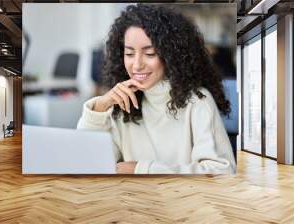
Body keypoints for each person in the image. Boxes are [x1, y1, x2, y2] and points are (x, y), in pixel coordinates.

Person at [77, 4, 236, 174]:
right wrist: (100, 107)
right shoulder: (121, 103)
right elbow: (88, 163)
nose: (137, 65)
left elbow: (221, 172)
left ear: (170, 55)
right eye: (129, 54)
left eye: (150, 54)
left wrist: (143, 169)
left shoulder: (198, 101)